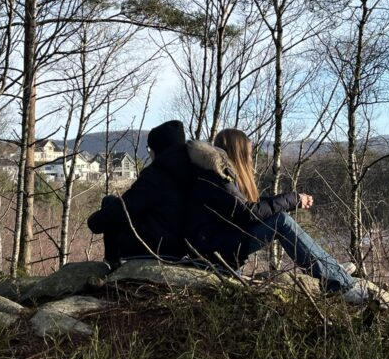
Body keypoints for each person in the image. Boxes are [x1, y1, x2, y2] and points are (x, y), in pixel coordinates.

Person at [185, 128, 371, 303]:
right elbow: (249, 213)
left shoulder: (216, 174)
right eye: (248, 155)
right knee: (281, 222)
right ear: (237, 154)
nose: (250, 160)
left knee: (279, 218)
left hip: (219, 243)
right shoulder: (217, 178)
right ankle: (341, 284)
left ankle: (332, 270)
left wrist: (292, 199)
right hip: (216, 250)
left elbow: (246, 206)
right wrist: (292, 199)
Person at [86, 120, 194, 266]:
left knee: (110, 202)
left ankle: (111, 265)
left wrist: (95, 222)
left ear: (158, 149)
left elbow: (124, 208)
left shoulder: (158, 175)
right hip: (182, 247)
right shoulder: (194, 171)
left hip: (153, 246)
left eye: (150, 149)